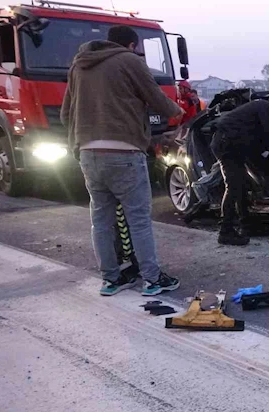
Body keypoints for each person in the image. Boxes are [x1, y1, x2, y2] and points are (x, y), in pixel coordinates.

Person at [61, 25, 184, 296]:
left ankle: (111, 279)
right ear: (131, 45)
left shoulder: (78, 65)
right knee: (138, 219)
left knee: (101, 220)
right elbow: (157, 99)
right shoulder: (129, 61)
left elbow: (65, 113)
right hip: (124, 151)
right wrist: (179, 112)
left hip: (88, 153)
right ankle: (152, 279)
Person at [210, 94, 269, 246]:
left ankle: (246, 226)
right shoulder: (264, 106)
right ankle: (225, 232)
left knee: (242, 185)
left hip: (232, 145)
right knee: (234, 186)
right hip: (227, 145)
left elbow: (256, 144)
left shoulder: (256, 117)